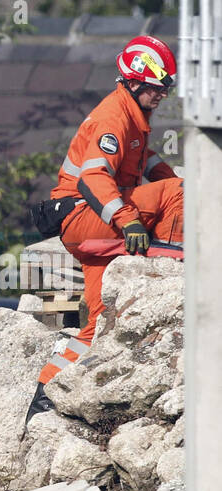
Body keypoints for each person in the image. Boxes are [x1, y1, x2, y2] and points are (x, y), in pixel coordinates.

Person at [28, 35, 184, 421]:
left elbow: (148, 165)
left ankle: (44, 395)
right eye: (156, 88)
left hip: (89, 232)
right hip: (87, 219)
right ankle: (178, 267)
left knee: (95, 325)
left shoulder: (133, 118)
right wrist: (128, 220)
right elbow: (94, 178)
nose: (162, 95)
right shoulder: (113, 117)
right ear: (134, 82)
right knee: (179, 192)